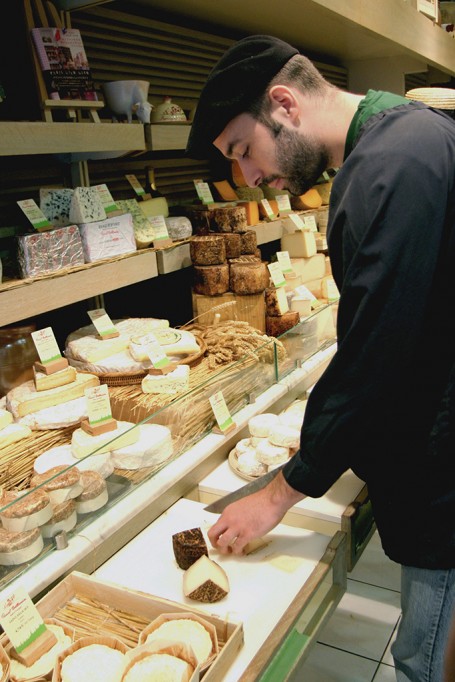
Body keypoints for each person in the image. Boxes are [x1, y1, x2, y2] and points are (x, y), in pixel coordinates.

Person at [185, 35, 455, 682]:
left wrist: (283, 491)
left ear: (283, 103)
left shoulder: (391, 164)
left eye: (242, 151)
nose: (246, 178)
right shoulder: (407, 137)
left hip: (443, 484)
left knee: (424, 660)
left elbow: (377, 352)